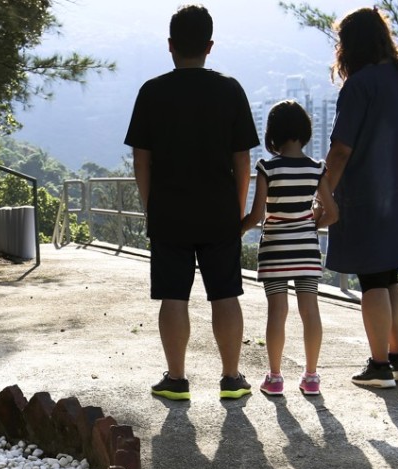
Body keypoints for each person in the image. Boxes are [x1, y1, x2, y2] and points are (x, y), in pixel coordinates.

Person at [125, 4, 259, 400]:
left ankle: (177, 379)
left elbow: (141, 158)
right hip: (219, 210)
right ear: (209, 46)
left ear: (170, 45)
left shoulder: (152, 91)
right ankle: (232, 379)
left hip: (169, 209)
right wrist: (236, 209)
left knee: (173, 295)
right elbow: (243, 159)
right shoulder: (230, 89)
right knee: (225, 294)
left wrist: (152, 205)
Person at [323, 7, 398, 389]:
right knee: (391, 278)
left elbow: (341, 150)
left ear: (351, 45)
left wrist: (326, 194)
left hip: (368, 194)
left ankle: (379, 364)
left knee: (372, 281)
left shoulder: (360, 86)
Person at [241, 100, 338, 397]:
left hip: (274, 251)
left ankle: (275, 377)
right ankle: (311, 377)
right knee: (310, 311)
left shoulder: (267, 168)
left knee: (277, 312)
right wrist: (311, 225)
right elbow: (333, 212)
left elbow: (257, 216)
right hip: (307, 249)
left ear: (273, 134)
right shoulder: (317, 168)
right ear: (305, 132)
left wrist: (237, 229)